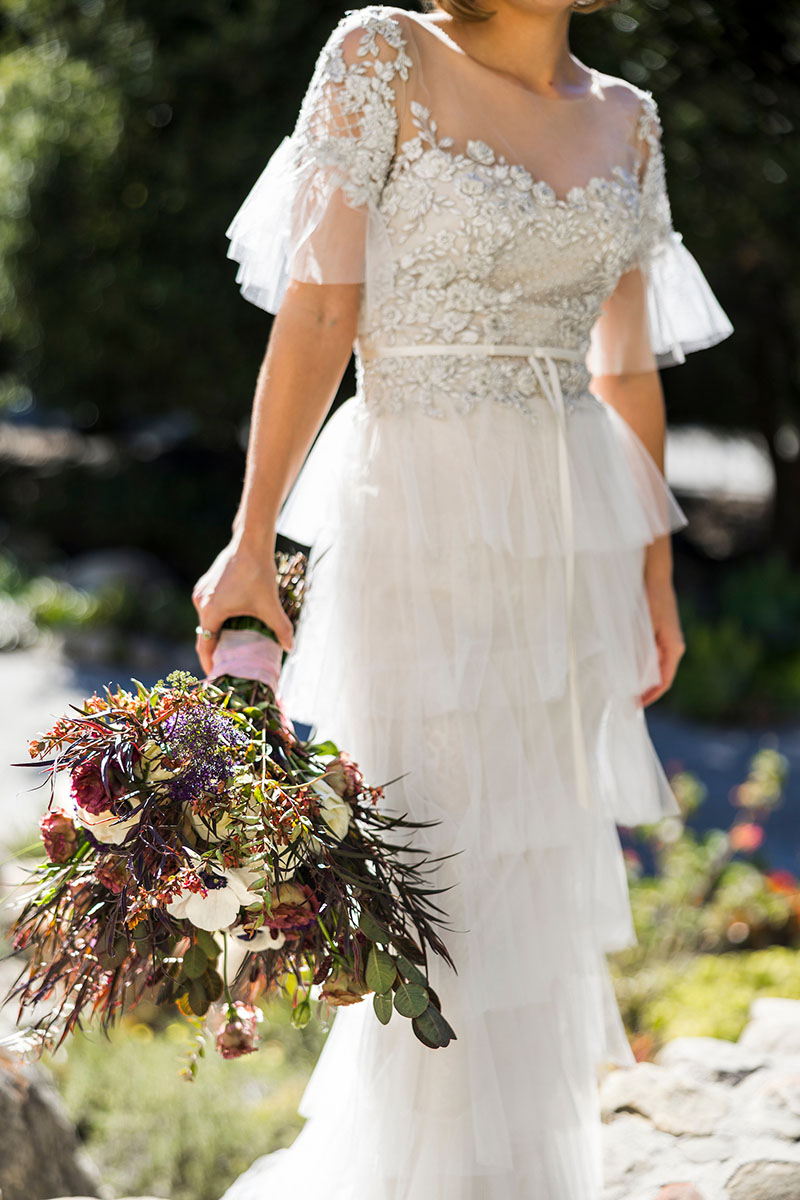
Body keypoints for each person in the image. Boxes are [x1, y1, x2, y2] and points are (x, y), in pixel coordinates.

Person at [194, 2, 734, 1196]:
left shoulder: (627, 118)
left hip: (568, 535)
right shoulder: (380, 51)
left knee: (530, 862)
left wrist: (650, 571)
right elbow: (320, 309)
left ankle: (523, 1173)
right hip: (417, 512)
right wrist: (247, 545)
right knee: (426, 854)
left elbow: (624, 364)